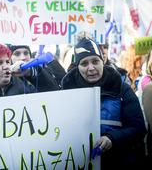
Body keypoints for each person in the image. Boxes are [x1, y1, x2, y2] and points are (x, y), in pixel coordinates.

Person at [61, 37, 147, 170]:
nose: (91, 68)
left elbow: (138, 127)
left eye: (95, 61)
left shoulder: (121, 88)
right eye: (84, 63)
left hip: (118, 162)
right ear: (77, 67)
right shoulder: (67, 92)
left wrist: (112, 138)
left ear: (103, 62)